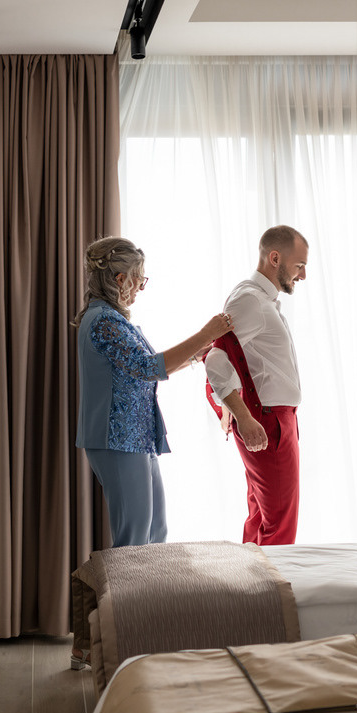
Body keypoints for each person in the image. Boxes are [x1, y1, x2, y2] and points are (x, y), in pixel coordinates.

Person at [74, 235, 232, 549]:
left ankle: (149, 584)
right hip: (117, 439)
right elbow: (147, 368)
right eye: (139, 280)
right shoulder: (103, 321)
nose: (140, 288)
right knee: (134, 540)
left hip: (135, 437)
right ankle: (126, 585)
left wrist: (196, 355)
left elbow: (148, 369)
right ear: (121, 279)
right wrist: (205, 334)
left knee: (156, 532)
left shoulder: (113, 320)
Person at [205, 225, 308, 545]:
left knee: (263, 516)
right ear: (275, 258)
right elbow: (216, 359)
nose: (303, 275)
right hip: (268, 421)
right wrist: (244, 416)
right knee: (279, 522)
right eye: (299, 265)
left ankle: (252, 577)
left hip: (277, 419)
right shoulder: (250, 300)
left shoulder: (261, 299)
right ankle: (272, 580)